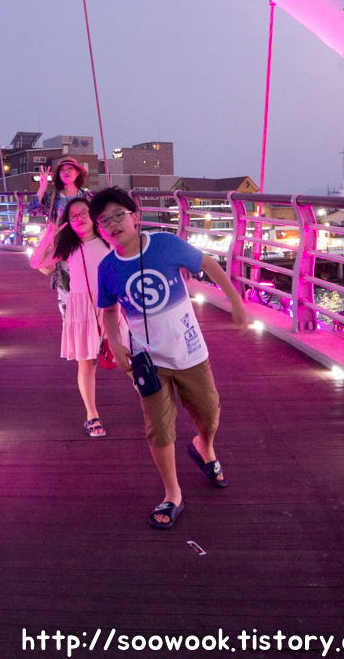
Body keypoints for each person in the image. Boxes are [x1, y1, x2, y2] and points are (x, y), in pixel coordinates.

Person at [90, 187, 247, 530]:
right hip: (148, 361)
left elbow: (208, 264)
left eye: (118, 215)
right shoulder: (107, 268)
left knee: (209, 413)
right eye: (103, 221)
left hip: (189, 350)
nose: (112, 224)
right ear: (99, 230)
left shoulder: (164, 243)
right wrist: (115, 342)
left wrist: (235, 302)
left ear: (134, 216)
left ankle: (204, 446)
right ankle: (172, 492)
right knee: (158, 428)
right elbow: (109, 310)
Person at [30, 196, 123, 437]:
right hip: (81, 308)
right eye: (73, 216)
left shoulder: (108, 241)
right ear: (69, 222)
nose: (79, 218)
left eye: (84, 213)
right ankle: (92, 415)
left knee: (127, 355)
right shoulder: (68, 247)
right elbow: (36, 263)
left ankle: (150, 403)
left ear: (93, 216)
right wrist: (48, 238)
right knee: (87, 364)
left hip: (109, 305)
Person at [28, 156, 90, 319]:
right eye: (62, 170)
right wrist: (42, 188)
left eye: (70, 169)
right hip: (61, 246)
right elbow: (33, 211)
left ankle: (85, 321)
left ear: (78, 173)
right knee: (65, 286)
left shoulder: (87, 197)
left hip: (83, 245)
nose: (66, 172)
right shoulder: (53, 196)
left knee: (85, 282)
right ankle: (69, 323)